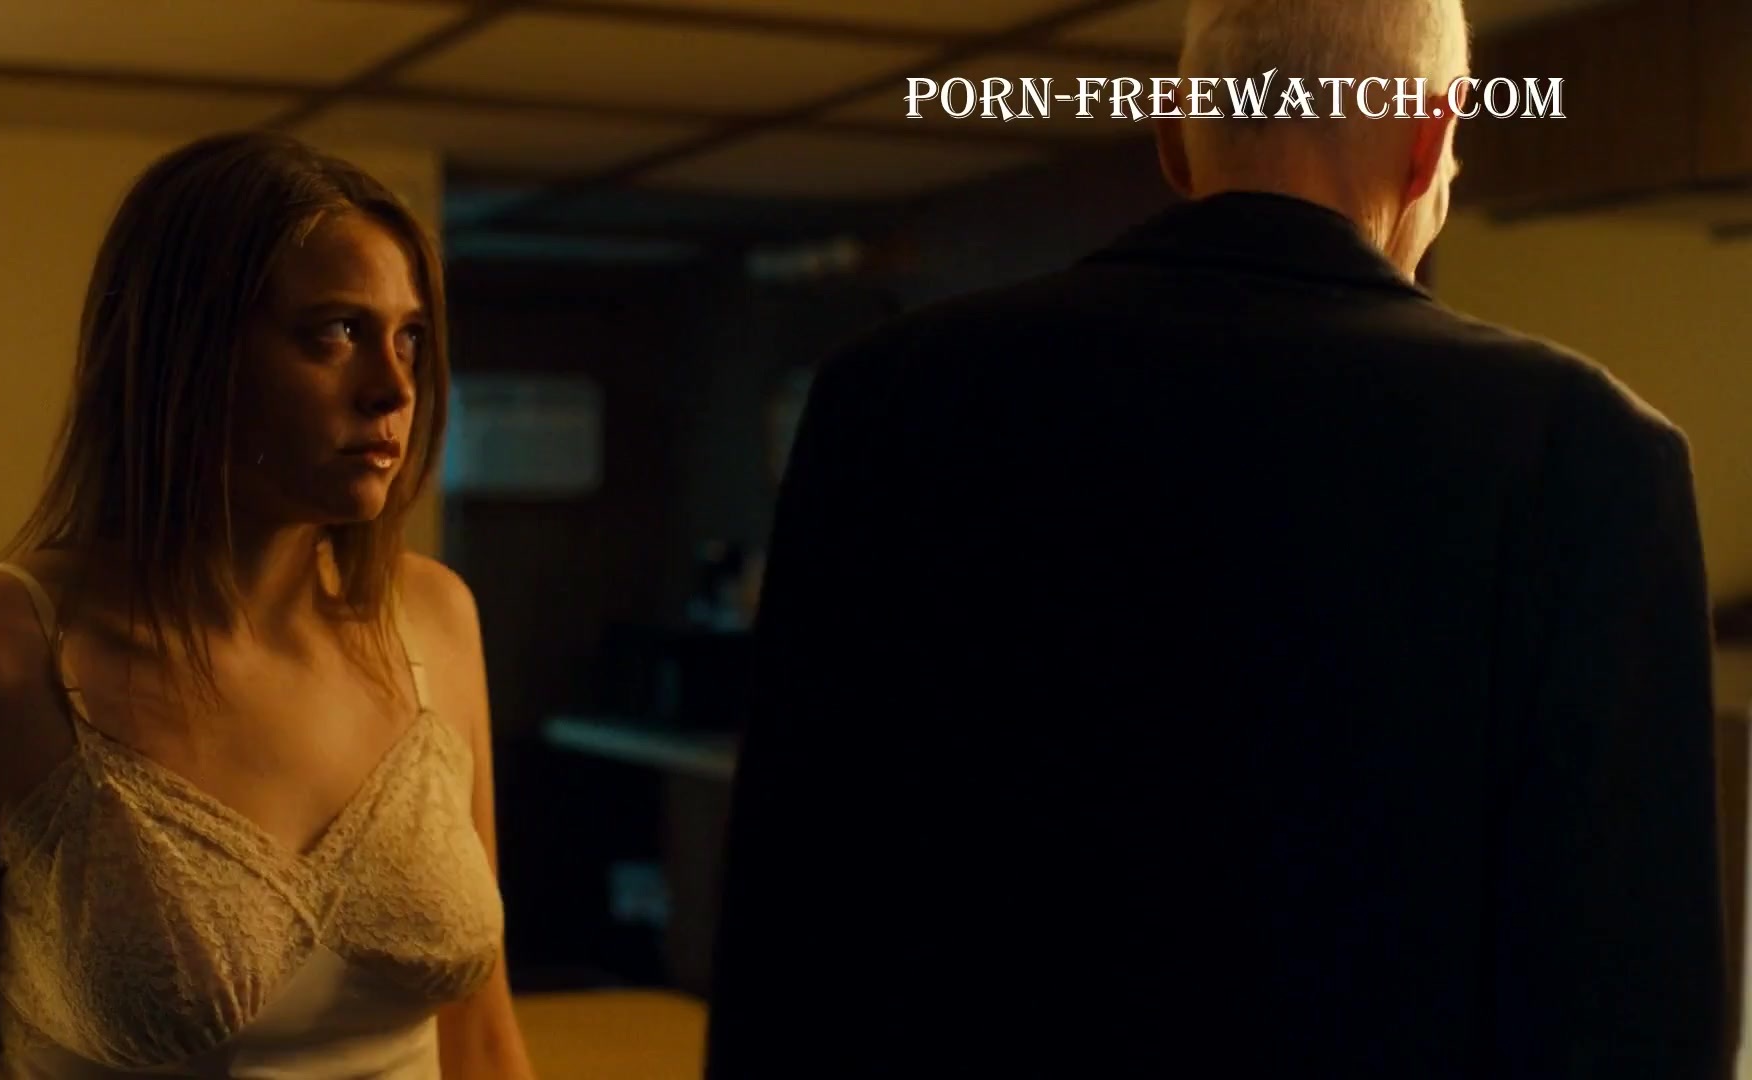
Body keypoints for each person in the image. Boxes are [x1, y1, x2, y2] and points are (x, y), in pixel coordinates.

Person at [707, 1, 1728, 1076]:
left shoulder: (889, 401)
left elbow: (792, 917)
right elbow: (1630, 1003)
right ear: (1431, 141)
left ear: (1174, 131)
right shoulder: (1586, 450)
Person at [0, 132, 535, 1079]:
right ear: (188, 350)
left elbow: (483, 1040)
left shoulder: (433, 618)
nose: (393, 387)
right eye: (336, 332)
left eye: (409, 336)